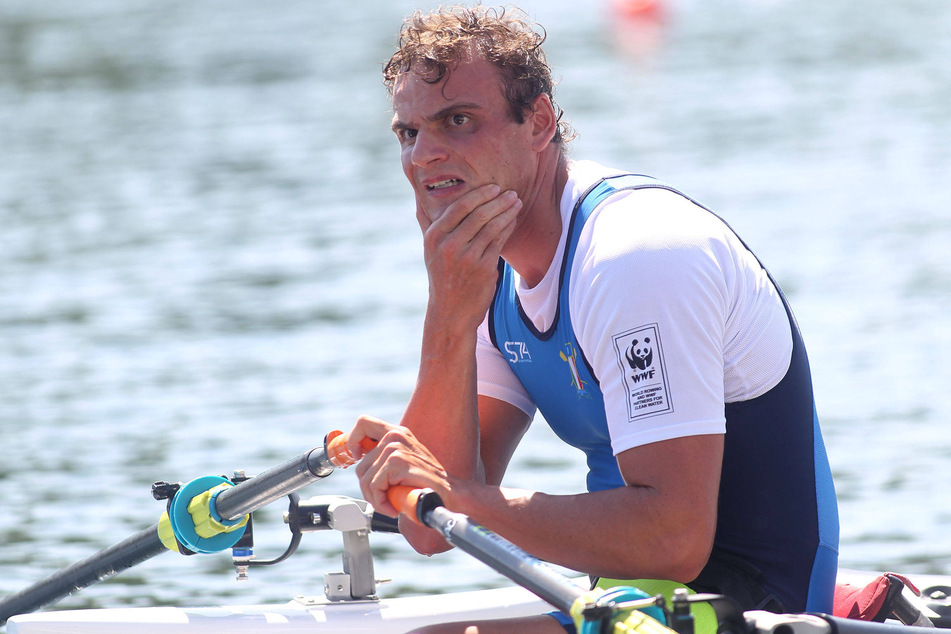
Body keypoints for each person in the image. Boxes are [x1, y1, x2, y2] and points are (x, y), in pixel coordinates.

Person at [343, 5, 839, 633]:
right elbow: (429, 529)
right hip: (637, 601)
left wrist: (463, 500)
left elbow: (673, 539)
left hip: (749, 605)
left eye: (458, 121)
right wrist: (446, 314)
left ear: (540, 123)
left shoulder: (637, 256)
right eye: (408, 133)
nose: (424, 157)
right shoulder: (485, 278)